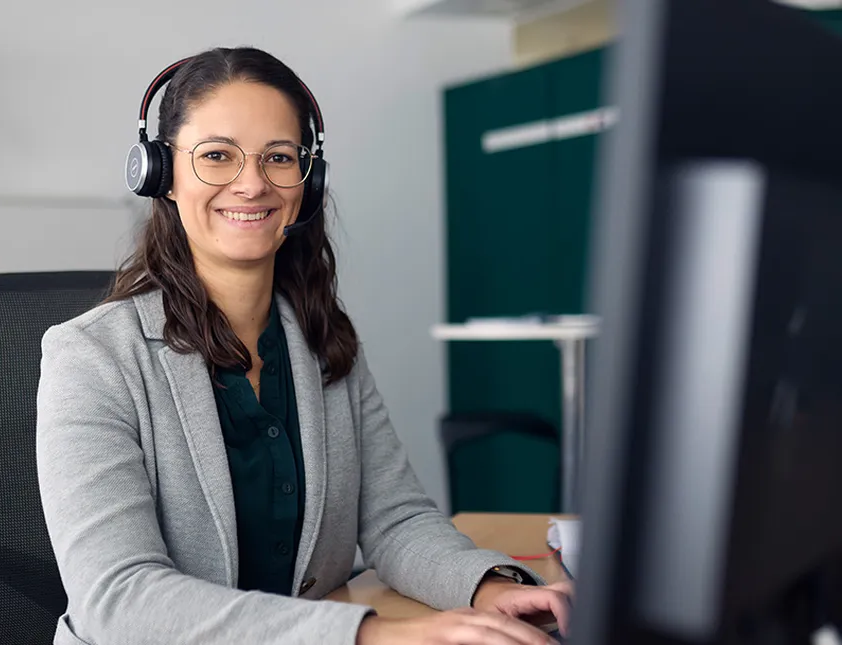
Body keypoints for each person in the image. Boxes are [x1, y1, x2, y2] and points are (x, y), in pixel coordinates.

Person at [35, 46, 573, 645]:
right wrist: (371, 635)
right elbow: (118, 599)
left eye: (279, 158)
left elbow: (396, 520)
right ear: (161, 175)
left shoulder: (321, 338)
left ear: (307, 179)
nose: (252, 184)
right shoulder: (90, 358)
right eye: (216, 156)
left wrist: (495, 589)